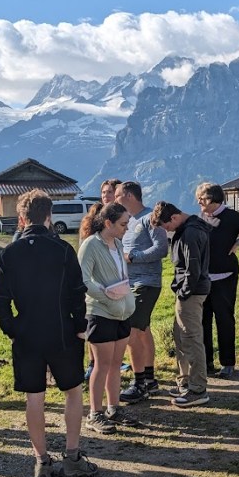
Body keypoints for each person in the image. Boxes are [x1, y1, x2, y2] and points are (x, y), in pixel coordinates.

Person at [0, 190, 98, 477]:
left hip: (27, 333)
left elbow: (0, 301)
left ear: (21, 218)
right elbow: (78, 293)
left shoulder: (9, 253)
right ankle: (72, 457)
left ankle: (41, 460)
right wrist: (80, 327)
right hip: (62, 331)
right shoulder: (63, 250)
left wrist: (12, 329)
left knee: (34, 398)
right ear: (49, 217)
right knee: (73, 392)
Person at [196, 182, 239, 378]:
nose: (199, 202)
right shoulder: (201, 217)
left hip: (225, 276)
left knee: (224, 319)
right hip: (204, 277)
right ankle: (206, 363)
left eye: (202, 199)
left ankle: (227, 364)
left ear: (213, 199)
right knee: (203, 321)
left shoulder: (232, 217)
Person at [77, 202, 136, 433]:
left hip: (122, 312)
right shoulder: (91, 245)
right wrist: (106, 296)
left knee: (115, 365)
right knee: (101, 366)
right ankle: (95, 413)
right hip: (101, 312)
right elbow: (83, 280)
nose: (126, 228)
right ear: (108, 223)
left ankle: (113, 408)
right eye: (123, 224)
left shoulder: (118, 243)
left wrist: (125, 299)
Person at [150, 201, 211, 408]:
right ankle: (185, 382)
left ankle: (198, 389)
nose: (167, 231)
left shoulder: (190, 233)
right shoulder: (188, 229)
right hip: (188, 291)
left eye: (166, 226)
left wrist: (184, 293)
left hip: (191, 293)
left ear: (174, 217)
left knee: (191, 338)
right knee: (181, 337)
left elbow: (193, 267)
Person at [114, 181, 167, 403]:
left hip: (146, 283)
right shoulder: (128, 220)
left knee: (132, 331)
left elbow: (161, 248)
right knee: (142, 331)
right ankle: (149, 380)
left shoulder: (149, 217)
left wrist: (133, 257)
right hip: (129, 283)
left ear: (129, 195)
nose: (115, 199)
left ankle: (139, 384)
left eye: (117, 195)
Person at [80, 178, 121, 382]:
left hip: (118, 283)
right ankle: (93, 363)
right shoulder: (94, 214)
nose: (106, 196)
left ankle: (113, 362)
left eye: (110, 192)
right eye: (103, 192)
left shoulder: (122, 218)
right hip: (97, 281)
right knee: (95, 323)